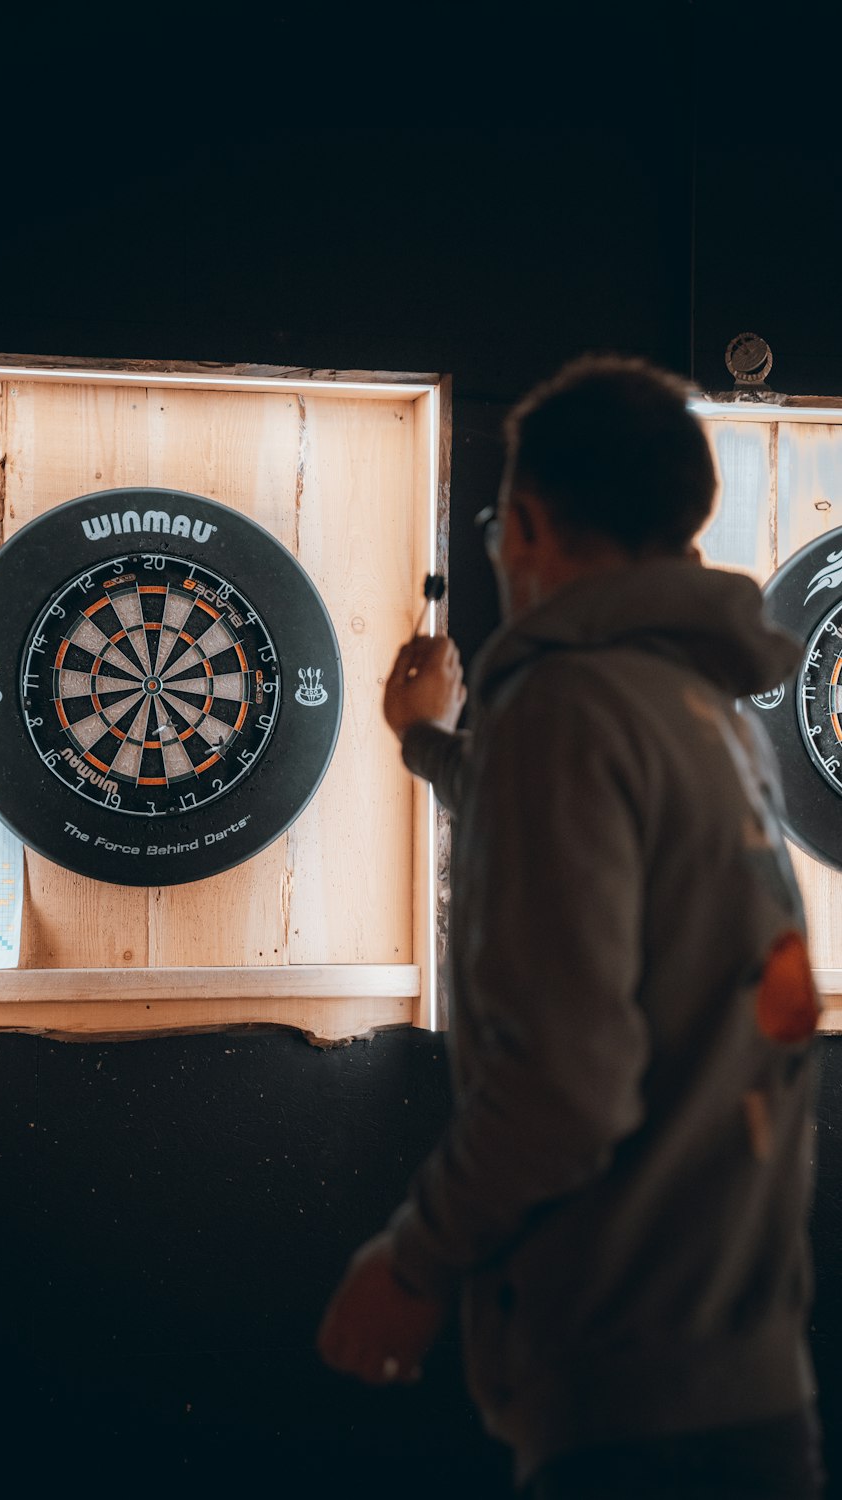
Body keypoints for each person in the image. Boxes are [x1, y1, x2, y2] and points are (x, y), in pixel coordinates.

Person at [317, 354, 825, 1499]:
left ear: (530, 524)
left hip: (625, 1395)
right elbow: (564, 832)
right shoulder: (705, 713)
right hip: (747, 1376)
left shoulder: (561, 708)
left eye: (504, 522)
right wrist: (429, 746)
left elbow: (565, 1090)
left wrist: (413, 1259)